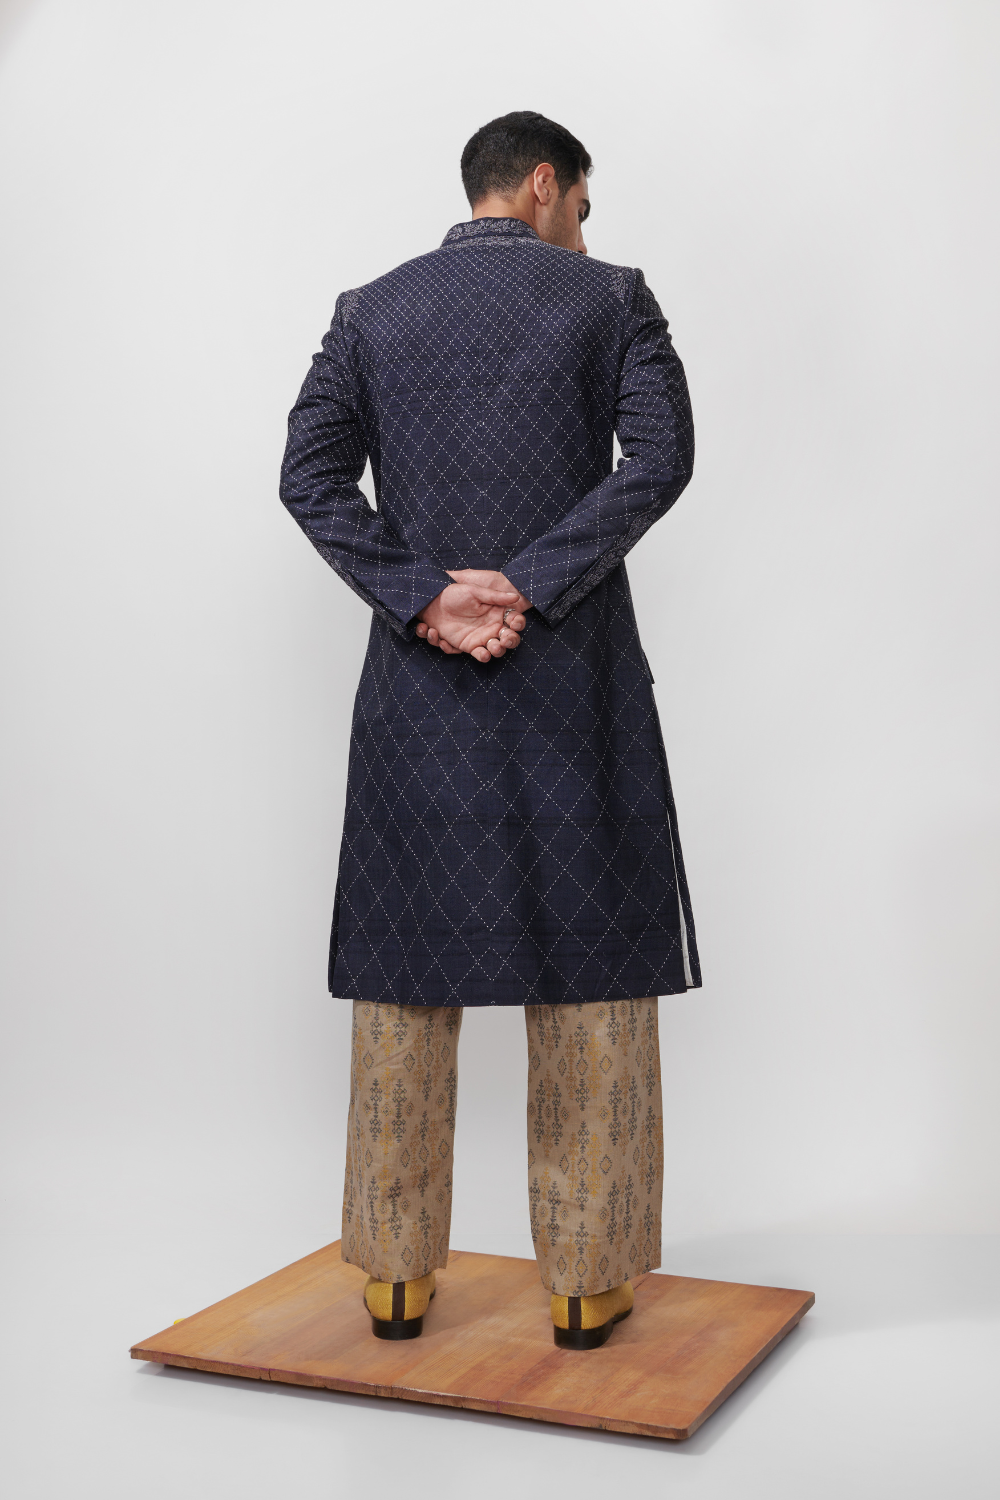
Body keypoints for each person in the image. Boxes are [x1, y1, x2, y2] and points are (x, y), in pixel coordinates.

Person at [280, 111, 700, 1350]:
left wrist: (428, 597)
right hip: (573, 681)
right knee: (593, 966)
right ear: (543, 185)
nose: (587, 234)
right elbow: (660, 459)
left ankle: (394, 1277)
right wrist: (531, 580)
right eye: (582, 208)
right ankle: (585, 1279)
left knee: (405, 971)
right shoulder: (610, 299)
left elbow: (307, 478)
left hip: (423, 689)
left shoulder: (369, 312)